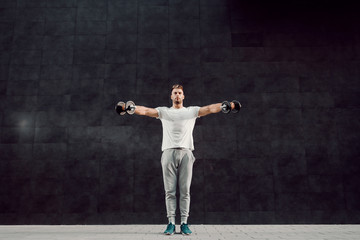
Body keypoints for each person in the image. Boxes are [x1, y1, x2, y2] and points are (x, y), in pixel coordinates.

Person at [117, 84, 240, 235]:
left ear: (183, 96)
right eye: (174, 93)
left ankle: (184, 223)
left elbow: (208, 109)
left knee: (185, 191)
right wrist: (131, 109)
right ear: (171, 96)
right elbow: (147, 111)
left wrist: (225, 106)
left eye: (179, 93)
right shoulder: (164, 112)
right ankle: (170, 223)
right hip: (168, 153)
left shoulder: (191, 111)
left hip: (187, 153)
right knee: (169, 191)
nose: (177, 95)